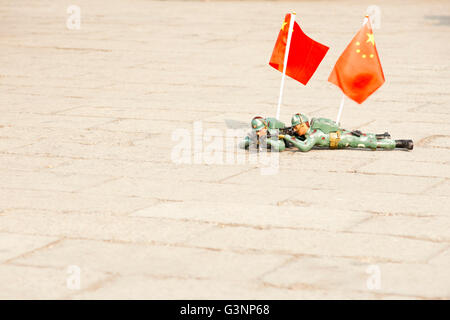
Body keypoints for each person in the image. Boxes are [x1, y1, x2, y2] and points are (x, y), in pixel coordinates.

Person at [283, 113, 413, 151]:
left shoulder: (314, 134)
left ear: (303, 125)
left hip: (344, 139)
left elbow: (305, 147)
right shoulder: (311, 131)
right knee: (366, 137)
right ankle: (383, 137)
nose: (294, 130)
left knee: (368, 142)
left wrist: (287, 137)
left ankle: (397, 143)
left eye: (296, 127)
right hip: (342, 135)